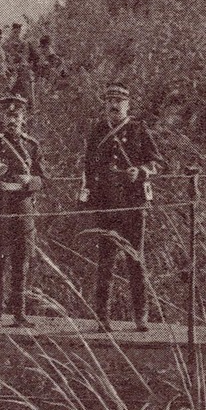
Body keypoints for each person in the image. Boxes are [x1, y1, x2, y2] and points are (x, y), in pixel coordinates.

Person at [81, 83, 162, 332]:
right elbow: (88, 168)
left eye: (119, 101)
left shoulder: (138, 129)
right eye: (110, 101)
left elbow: (158, 162)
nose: (114, 105)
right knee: (105, 262)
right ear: (105, 104)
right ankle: (102, 318)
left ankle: (140, 317)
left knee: (135, 260)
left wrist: (140, 171)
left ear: (128, 104)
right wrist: (86, 199)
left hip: (132, 206)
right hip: (106, 205)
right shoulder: (97, 131)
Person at [0, 94, 44, 329]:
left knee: (22, 261)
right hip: (1, 205)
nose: (12, 120)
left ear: (24, 118)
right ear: (2, 118)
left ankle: (19, 314)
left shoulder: (31, 145)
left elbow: (43, 179)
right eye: (8, 116)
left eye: (16, 116)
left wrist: (30, 181)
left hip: (24, 207)